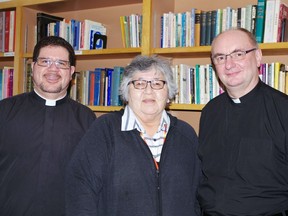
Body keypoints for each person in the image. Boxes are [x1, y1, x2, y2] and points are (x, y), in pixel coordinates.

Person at [65, 55, 201, 216]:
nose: (149, 91)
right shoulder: (105, 129)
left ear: (169, 91)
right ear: (126, 91)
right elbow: (81, 189)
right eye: (139, 83)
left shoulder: (185, 134)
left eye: (157, 83)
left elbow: (197, 196)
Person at [0, 36, 96, 216]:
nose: (53, 69)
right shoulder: (4, 111)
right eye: (45, 61)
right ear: (33, 66)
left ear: (72, 71)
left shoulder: (87, 119)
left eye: (62, 63)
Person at [198, 27, 288, 215]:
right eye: (220, 57)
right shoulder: (209, 112)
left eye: (238, 54)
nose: (229, 65)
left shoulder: (283, 110)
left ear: (257, 57)